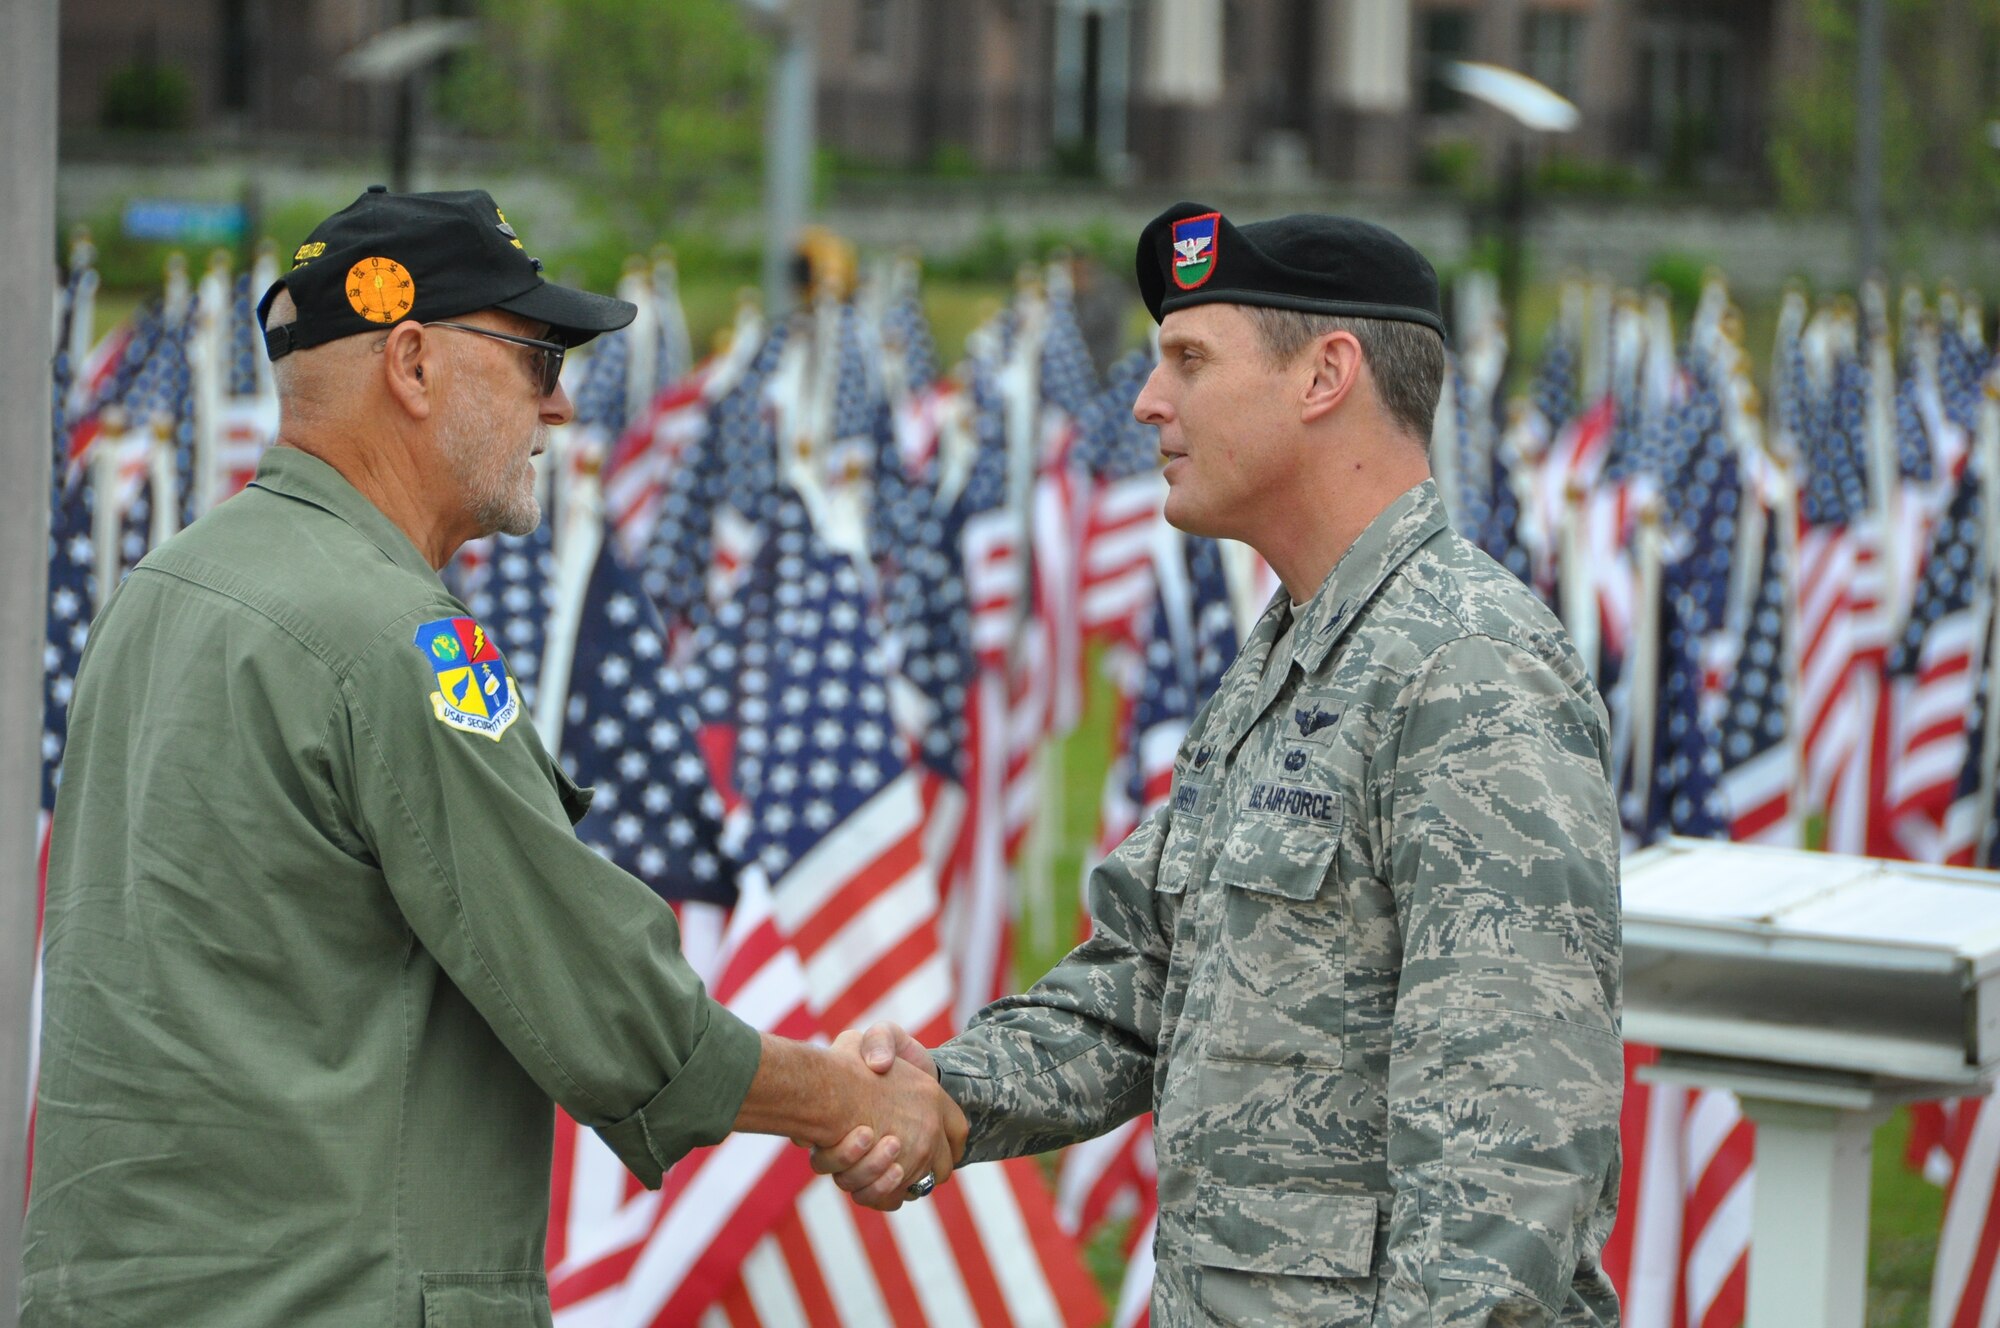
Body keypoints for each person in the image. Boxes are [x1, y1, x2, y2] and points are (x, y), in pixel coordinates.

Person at [21, 187, 963, 1328]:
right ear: (411, 365)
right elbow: (606, 1007)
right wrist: (845, 1098)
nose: (559, 407)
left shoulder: (159, 592)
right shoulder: (398, 636)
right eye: (532, 356)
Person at [818, 203, 1623, 1325]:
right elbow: (1142, 979)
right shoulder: (1290, 654)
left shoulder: (1466, 667)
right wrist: (946, 1089)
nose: (1147, 401)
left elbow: (1510, 1146)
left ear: (1323, 375)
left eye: (1189, 361)